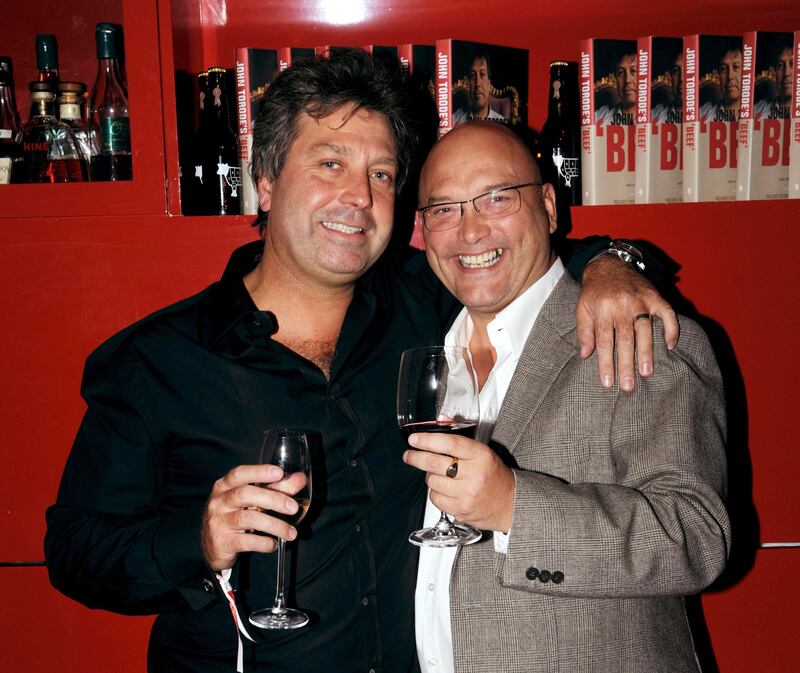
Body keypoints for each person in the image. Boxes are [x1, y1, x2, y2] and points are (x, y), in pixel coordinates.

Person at [44, 50, 676, 673]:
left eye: (381, 174)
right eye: (329, 163)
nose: (359, 198)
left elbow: (519, 250)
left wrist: (610, 263)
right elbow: (75, 552)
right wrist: (197, 540)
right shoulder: (157, 361)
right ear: (265, 180)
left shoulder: (428, 299)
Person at [405, 121, 730, 673]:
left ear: (550, 208)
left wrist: (514, 507)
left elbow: (696, 538)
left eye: (497, 198)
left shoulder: (636, 334)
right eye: (445, 209)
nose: (470, 230)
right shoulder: (425, 350)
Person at [453, 53, 505, 124]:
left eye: (482, 74)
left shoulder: (502, 124)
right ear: (468, 83)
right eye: (473, 75)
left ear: (489, 83)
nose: (478, 83)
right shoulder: (455, 119)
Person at [700, 41, 742, 123]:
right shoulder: (703, 114)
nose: (730, 76)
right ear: (718, 74)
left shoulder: (759, 112)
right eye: (723, 69)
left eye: (736, 67)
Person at [754, 38, 793, 120]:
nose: (786, 73)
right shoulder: (758, 111)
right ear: (774, 72)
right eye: (780, 65)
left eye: (792, 64)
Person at [595, 49, 637, 125]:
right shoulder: (599, 117)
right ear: (615, 79)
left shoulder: (659, 115)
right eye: (621, 73)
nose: (627, 80)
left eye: (633, 71)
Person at [652, 51, 683, 124]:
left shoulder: (709, 113)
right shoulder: (655, 114)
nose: (682, 78)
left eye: (689, 70)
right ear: (670, 76)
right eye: (676, 71)